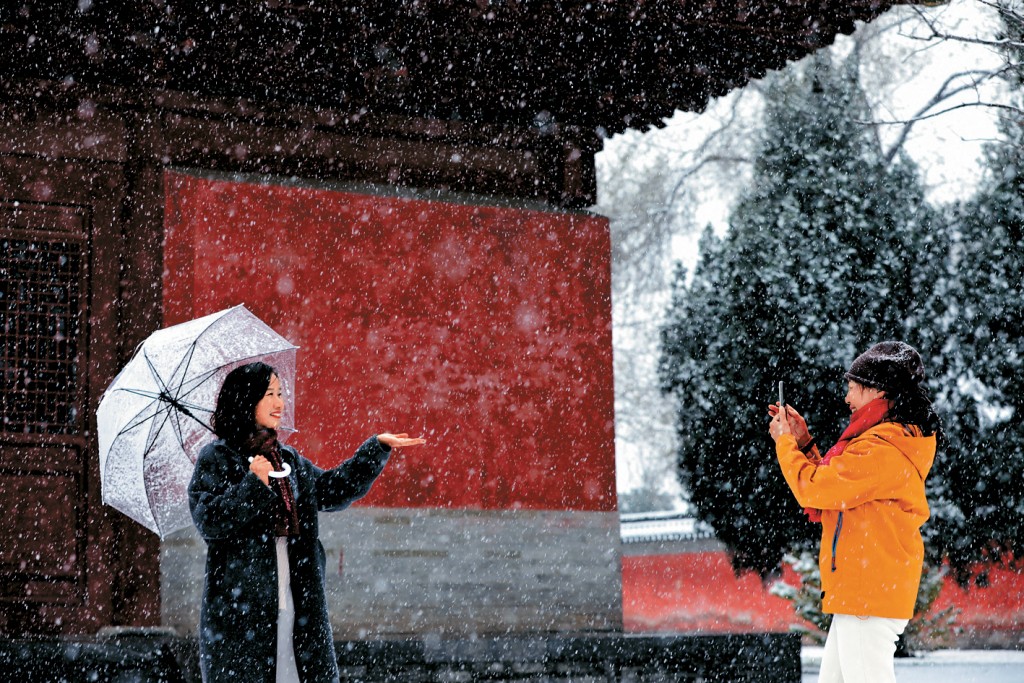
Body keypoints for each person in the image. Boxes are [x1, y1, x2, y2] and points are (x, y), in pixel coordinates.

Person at [188, 361, 425, 683]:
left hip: (298, 598)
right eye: (269, 394)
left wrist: (375, 450)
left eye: (280, 393)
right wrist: (253, 484)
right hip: (243, 608)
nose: (279, 403)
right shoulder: (217, 458)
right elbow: (210, 521)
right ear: (246, 400)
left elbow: (332, 490)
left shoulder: (287, 460)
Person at [768, 341, 940, 683]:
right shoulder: (883, 442)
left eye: (852, 387)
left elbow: (816, 488)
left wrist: (785, 443)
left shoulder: (882, 448)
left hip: (868, 594)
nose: (846, 397)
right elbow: (838, 490)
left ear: (876, 390)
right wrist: (804, 444)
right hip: (864, 593)